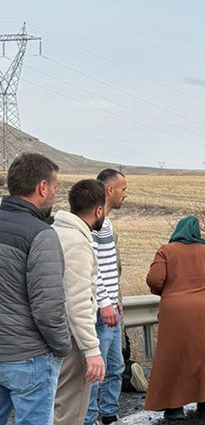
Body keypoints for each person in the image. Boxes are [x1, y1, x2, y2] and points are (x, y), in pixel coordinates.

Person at [0, 153, 71, 425]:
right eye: (54, 186)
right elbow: (48, 308)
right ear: (42, 187)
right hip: (29, 357)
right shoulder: (41, 234)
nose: (54, 193)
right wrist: (62, 346)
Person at [144, 216, 205, 420]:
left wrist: (168, 292)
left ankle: (174, 406)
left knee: (175, 356)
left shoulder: (166, 250)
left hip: (177, 311)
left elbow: (155, 280)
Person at [54, 180, 107, 425]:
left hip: (52, 334)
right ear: (98, 210)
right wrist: (91, 350)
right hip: (72, 338)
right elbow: (78, 302)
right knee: (70, 409)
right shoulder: (77, 243)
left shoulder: (54, 232)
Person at [86, 168, 128, 425]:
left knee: (115, 367)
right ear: (109, 190)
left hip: (112, 307)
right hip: (102, 311)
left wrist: (115, 300)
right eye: (123, 189)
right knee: (96, 371)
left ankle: (109, 414)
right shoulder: (94, 223)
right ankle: (89, 418)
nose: (125, 194)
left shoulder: (107, 224)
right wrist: (105, 303)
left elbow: (109, 267)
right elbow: (92, 268)